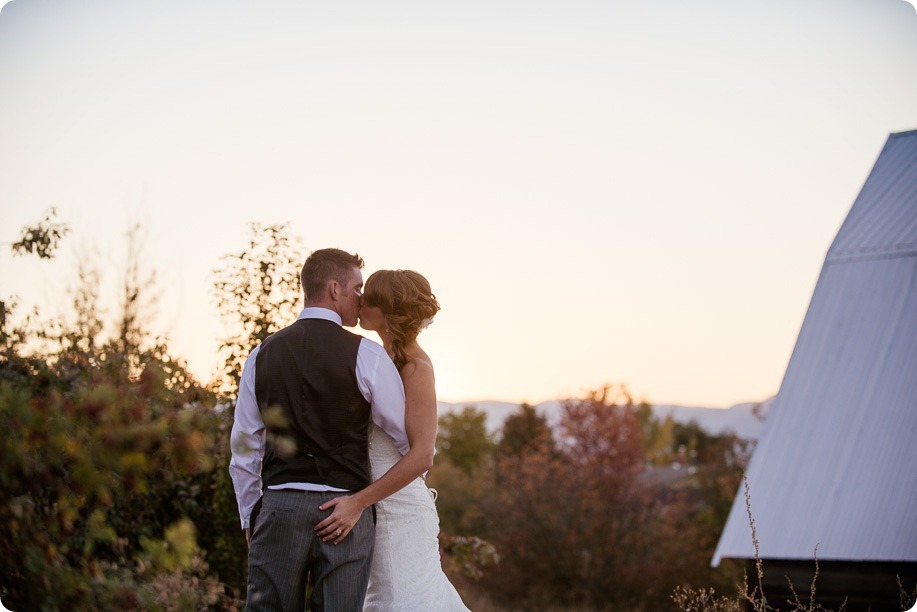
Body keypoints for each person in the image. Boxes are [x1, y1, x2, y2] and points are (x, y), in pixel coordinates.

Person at [229, 248, 413, 611]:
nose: (362, 299)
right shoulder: (367, 355)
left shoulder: (261, 354)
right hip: (345, 513)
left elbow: (245, 447)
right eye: (357, 288)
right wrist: (365, 500)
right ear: (334, 289)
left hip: (279, 508)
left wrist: (251, 517)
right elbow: (406, 442)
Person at [313, 269, 470, 611]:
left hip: (399, 512)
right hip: (373, 507)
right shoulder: (377, 360)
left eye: (369, 297)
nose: (361, 301)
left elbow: (422, 456)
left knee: (402, 600)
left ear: (387, 311)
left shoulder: (415, 367)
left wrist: (358, 503)